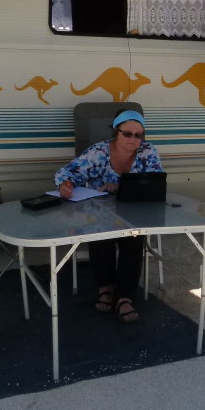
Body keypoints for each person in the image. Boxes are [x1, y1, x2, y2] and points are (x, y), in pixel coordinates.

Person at [54, 109, 163, 323]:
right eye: (127, 133)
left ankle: (124, 296)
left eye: (138, 135)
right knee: (100, 234)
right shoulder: (98, 152)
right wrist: (65, 185)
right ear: (116, 131)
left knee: (133, 238)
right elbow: (65, 173)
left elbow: (156, 183)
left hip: (133, 210)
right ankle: (105, 288)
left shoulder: (148, 152)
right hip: (100, 210)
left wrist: (119, 187)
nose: (133, 139)